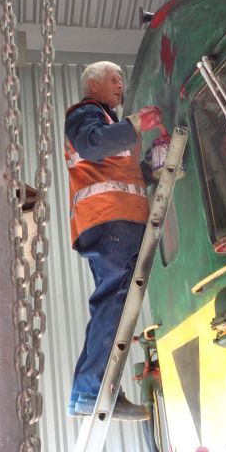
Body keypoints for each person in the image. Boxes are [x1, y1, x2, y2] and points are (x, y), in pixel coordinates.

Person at [64, 61, 163, 421]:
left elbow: (124, 174)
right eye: (113, 79)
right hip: (109, 222)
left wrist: (156, 167)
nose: (120, 85)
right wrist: (136, 124)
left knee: (111, 305)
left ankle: (88, 391)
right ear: (93, 84)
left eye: (122, 79)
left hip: (117, 222)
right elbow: (92, 146)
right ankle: (93, 391)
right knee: (115, 303)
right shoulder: (86, 114)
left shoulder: (109, 126)